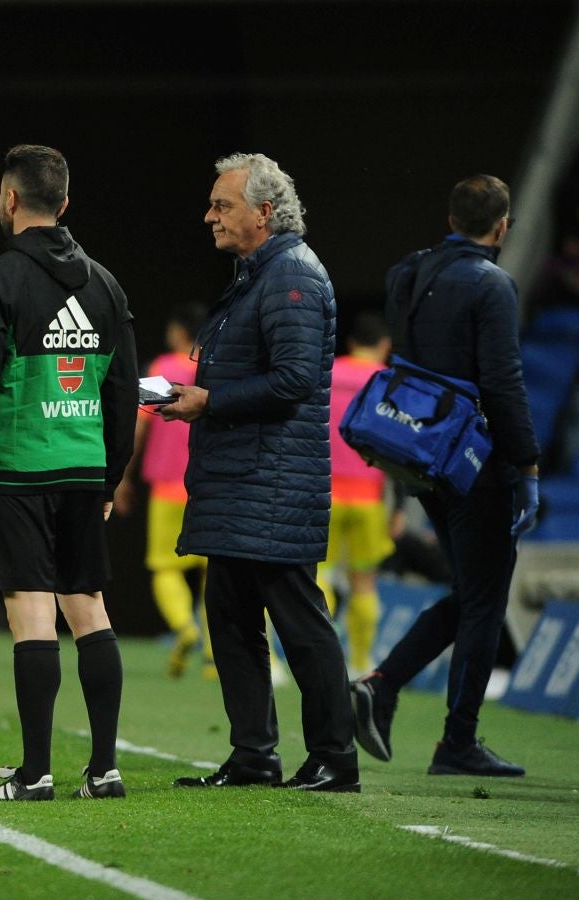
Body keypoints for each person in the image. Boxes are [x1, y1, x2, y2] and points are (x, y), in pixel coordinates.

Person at [0, 144, 136, 801]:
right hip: (82, 468)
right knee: (89, 608)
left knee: (31, 613)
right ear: (66, 204)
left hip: (20, 470)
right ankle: (104, 770)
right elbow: (124, 394)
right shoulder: (105, 284)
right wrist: (109, 476)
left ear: (11, 200)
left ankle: (35, 773)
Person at [161, 152, 358, 793]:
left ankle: (335, 758)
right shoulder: (258, 273)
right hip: (242, 480)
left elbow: (296, 380)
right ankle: (254, 755)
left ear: (264, 212)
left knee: (300, 625)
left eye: (223, 205)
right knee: (232, 621)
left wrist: (209, 401)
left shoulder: (292, 275)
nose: (209, 216)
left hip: (275, 482)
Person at [352, 174, 540, 778]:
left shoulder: (407, 273)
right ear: (502, 226)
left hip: (415, 449)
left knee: (470, 593)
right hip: (473, 461)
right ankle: (457, 742)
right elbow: (503, 383)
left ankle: (382, 685)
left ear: (451, 217)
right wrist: (528, 464)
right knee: (484, 601)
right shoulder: (493, 285)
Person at [114, 303, 212, 679]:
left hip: (168, 487)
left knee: (165, 567)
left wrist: (124, 476)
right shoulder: (215, 372)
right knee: (212, 574)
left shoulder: (162, 370)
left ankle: (185, 629)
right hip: (207, 485)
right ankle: (213, 659)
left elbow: (139, 428)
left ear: (179, 332)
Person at [317, 311, 393, 678]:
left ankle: (320, 658)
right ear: (385, 346)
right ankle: (361, 663)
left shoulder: (326, 372)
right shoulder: (388, 381)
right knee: (364, 579)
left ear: (349, 344)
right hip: (369, 495)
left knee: (319, 574)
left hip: (324, 491)